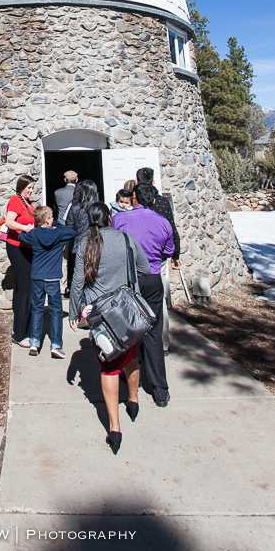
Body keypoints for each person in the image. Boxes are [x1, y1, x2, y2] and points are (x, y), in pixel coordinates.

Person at [69, 202, 151, 454]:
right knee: (131, 357)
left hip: (102, 318)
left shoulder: (86, 245)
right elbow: (145, 268)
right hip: (127, 313)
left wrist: (73, 312)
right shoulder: (126, 240)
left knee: (109, 368)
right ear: (109, 217)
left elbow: (76, 283)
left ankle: (115, 429)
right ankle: (134, 401)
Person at [112, 185, 175, 407]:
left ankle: (130, 377)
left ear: (135, 198)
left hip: (130, 280)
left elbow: (115, 245)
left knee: (129, 331)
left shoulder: (121, 220)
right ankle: (159, 389)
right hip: (153, 279)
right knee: (153, 332)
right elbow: (168, 251)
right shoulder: (163, 222)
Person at [134, 167, 181, 353]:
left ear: (136, 182)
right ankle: (162, 341)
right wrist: (175, 254)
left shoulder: (135, 202)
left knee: (135, 299)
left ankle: (135, 339)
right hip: (158, 257)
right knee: (159, 300)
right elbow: (172, 228)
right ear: (153, 182)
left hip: (138, 258)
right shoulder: (162, 203)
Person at [20, 205, 76, 358]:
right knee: (56, 310)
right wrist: (56, 224)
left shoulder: (34, 234)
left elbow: (21, 237)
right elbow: (72, 232)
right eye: (51, 217)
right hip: (52, 277)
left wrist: (33, 227)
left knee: (37, 308)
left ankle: (35, 342)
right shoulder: (59, 234)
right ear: (48, 220)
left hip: (37, 276)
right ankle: (56, 344)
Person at [4, 175, 36, 346]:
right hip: (16, 247)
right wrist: (25, 228)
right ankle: (19, 334)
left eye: (32, 188)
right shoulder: (16, 201)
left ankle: (24, 327)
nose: (31, 191)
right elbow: (10, 222)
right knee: (25, 287)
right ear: (21, 186)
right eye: (28, 187)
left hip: (26, 248)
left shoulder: (28, 204)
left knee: (25, 287)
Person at [64, 179, 99, 298]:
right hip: (95, 245)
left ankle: (82, 306)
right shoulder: (99, 207)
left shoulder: (75, 208)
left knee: (79, 279)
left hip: (78, 246)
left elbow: (69, 227)